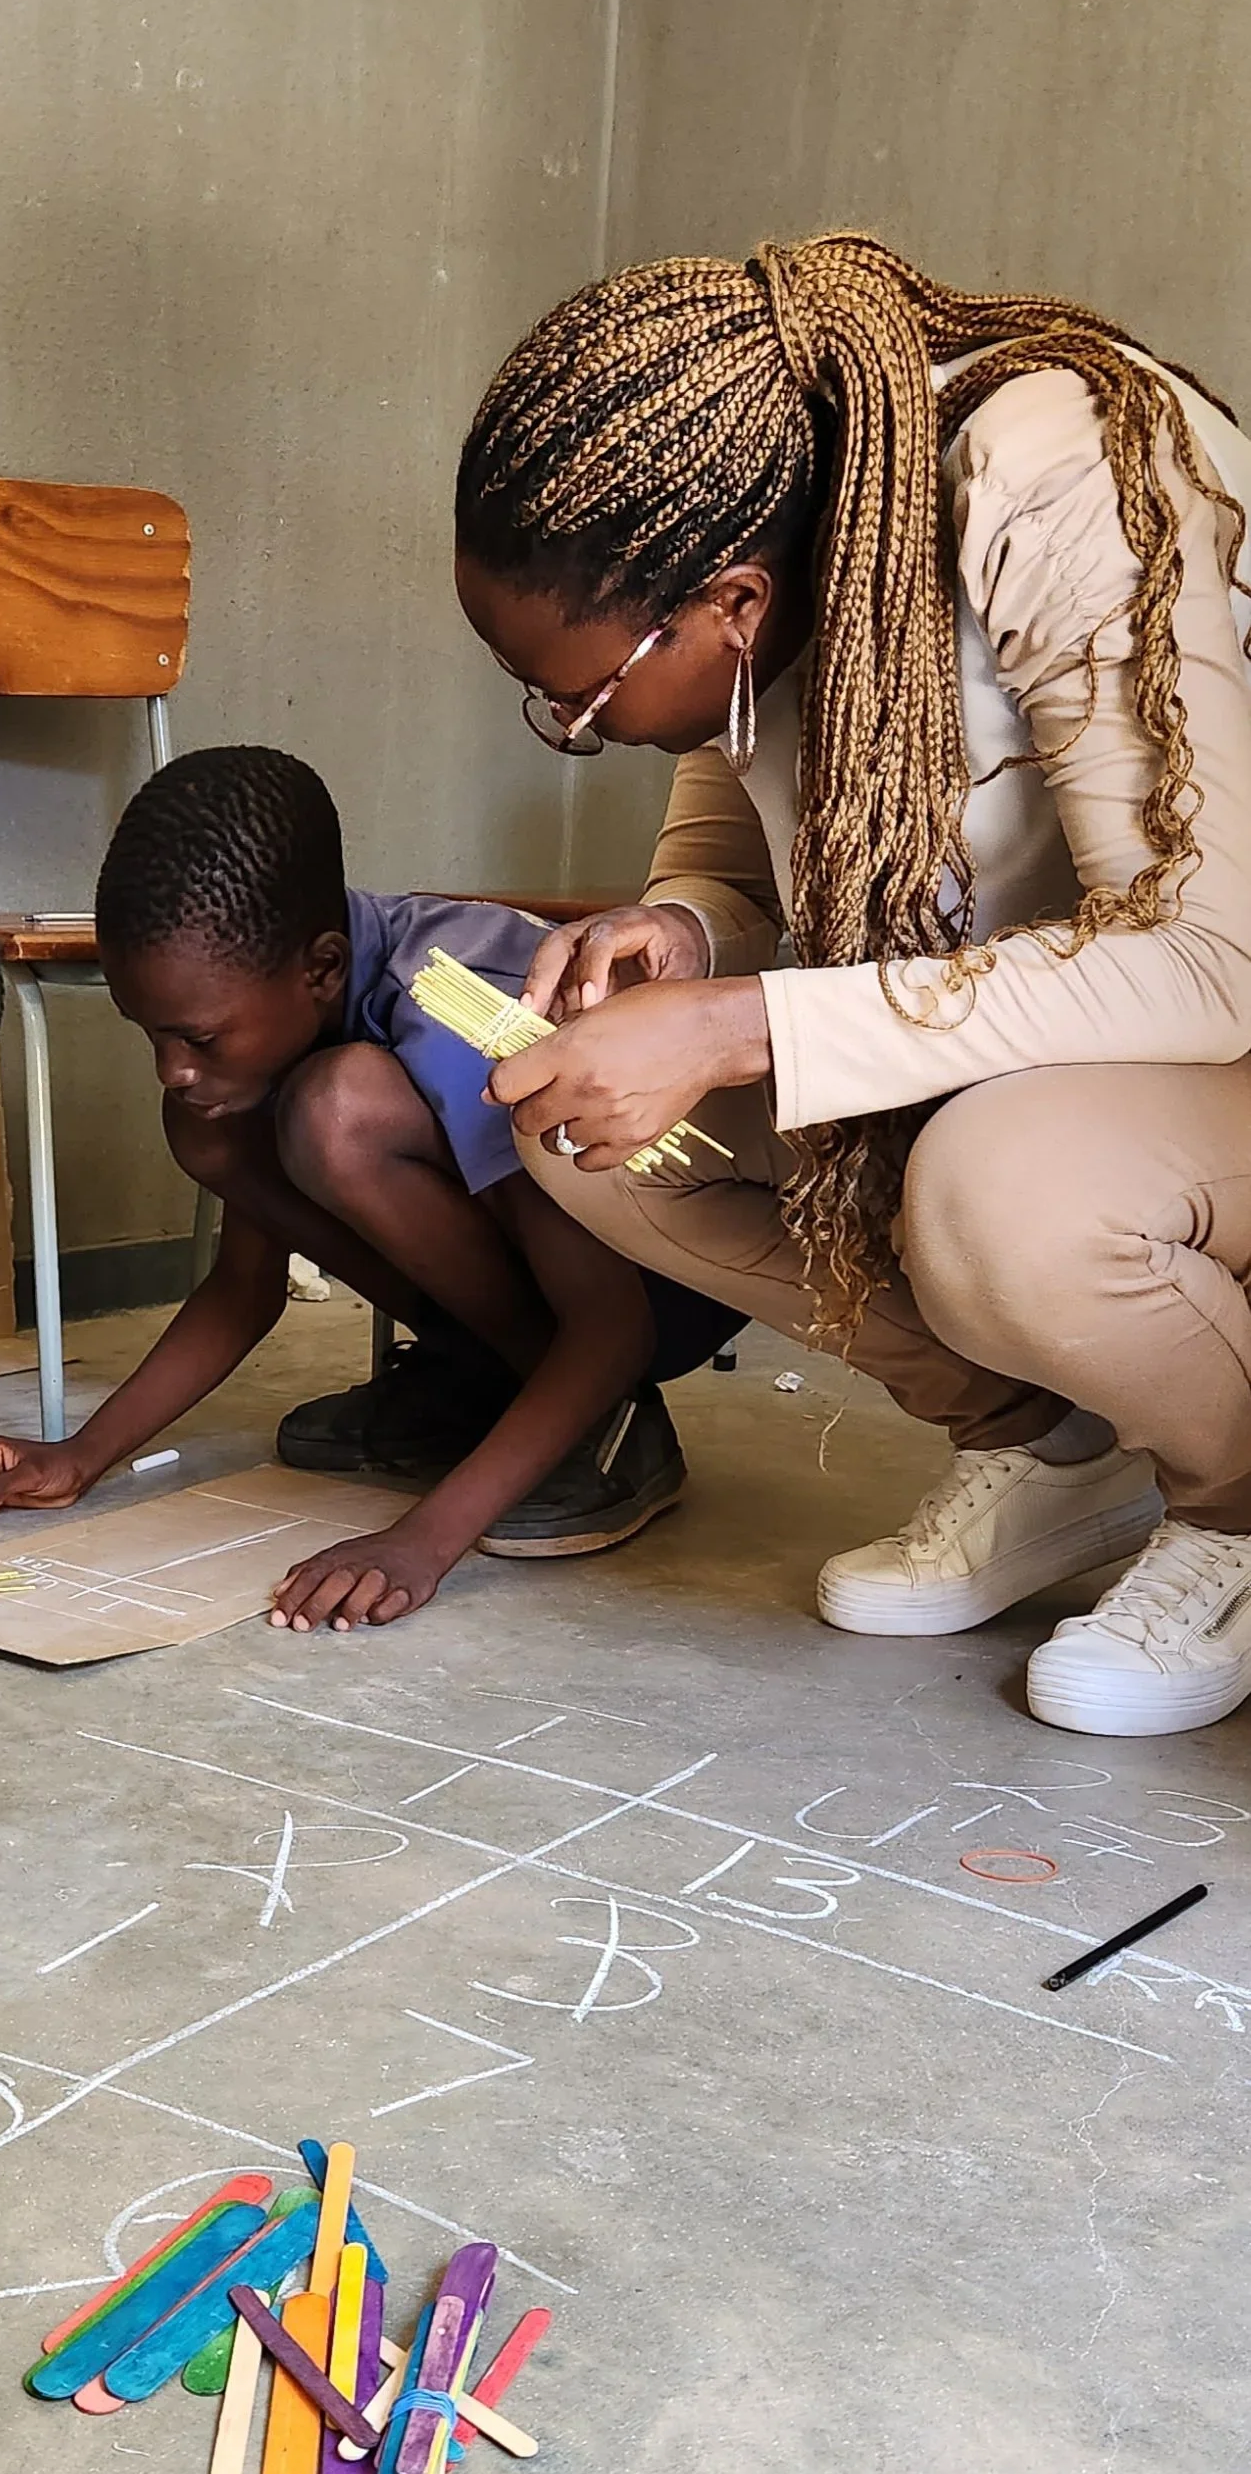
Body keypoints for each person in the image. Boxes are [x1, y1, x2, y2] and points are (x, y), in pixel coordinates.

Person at [451, 230, 1251, 1737]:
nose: (566, 725)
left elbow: (1203, 955)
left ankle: (1235, 1513)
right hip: (1069, 1036)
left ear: (729, 607)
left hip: (1218, 1016)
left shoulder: (1055, 477)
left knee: (1000, 1189)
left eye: (578, 698)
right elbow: (727, 865)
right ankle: (1047, 1452)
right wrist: (678, 942)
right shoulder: (767, 524)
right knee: (598, 1139)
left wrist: (742, 1021)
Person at [0, 744, 741, 1626]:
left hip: (656, 1288)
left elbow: (612, 1323)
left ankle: (606, 1432)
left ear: (320, 969)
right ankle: (485, 1384)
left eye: (198, 1038)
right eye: (150, 1034)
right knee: (222, 1121)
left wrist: (425, 1541)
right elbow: (245, 1290)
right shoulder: (289, 981)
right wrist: (81, 1455)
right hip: (555, 1293)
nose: (169, 1068)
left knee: (336, 1109)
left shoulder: (457, 1010)